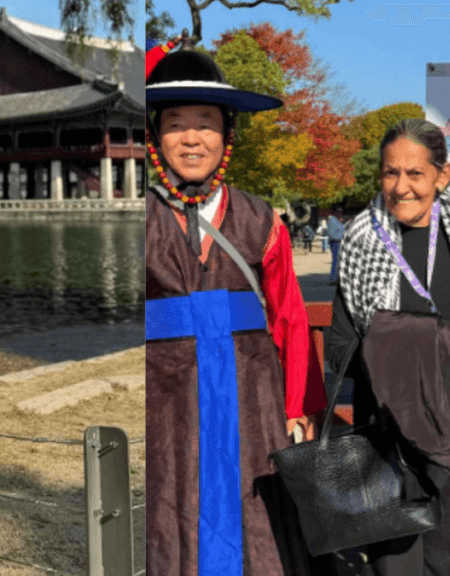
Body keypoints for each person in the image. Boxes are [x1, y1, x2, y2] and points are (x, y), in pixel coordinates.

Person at [144, 45, 327, 575]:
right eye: (176, 124)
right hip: (166, 394)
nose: (192, 137)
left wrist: (299, 406)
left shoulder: (260, 218)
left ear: (228, 136)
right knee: (169, 503)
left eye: (207, 123)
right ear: (156, 135)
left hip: (252, 395)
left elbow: (289, 315)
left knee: (256, 509)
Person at [326, 118, 450, 576]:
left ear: (443, 175)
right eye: (390, 173)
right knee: (391, 564)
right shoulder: (361, 240)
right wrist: (405, 356)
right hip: (386, 434)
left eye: (415, 173)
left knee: (447, 560)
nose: (401, 187)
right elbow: (338, 346)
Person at [325, 207, 345, 284]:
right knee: (336, 261)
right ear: (334, 212)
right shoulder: (332, 221)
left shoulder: (338, 221)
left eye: (341, 212)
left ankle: (337, 277)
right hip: (336, 242)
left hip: (340, 242)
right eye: (338, 211)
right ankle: (333, 278)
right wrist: (340, 238)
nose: (340, 213)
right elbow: (331, 234)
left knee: (339, 261)